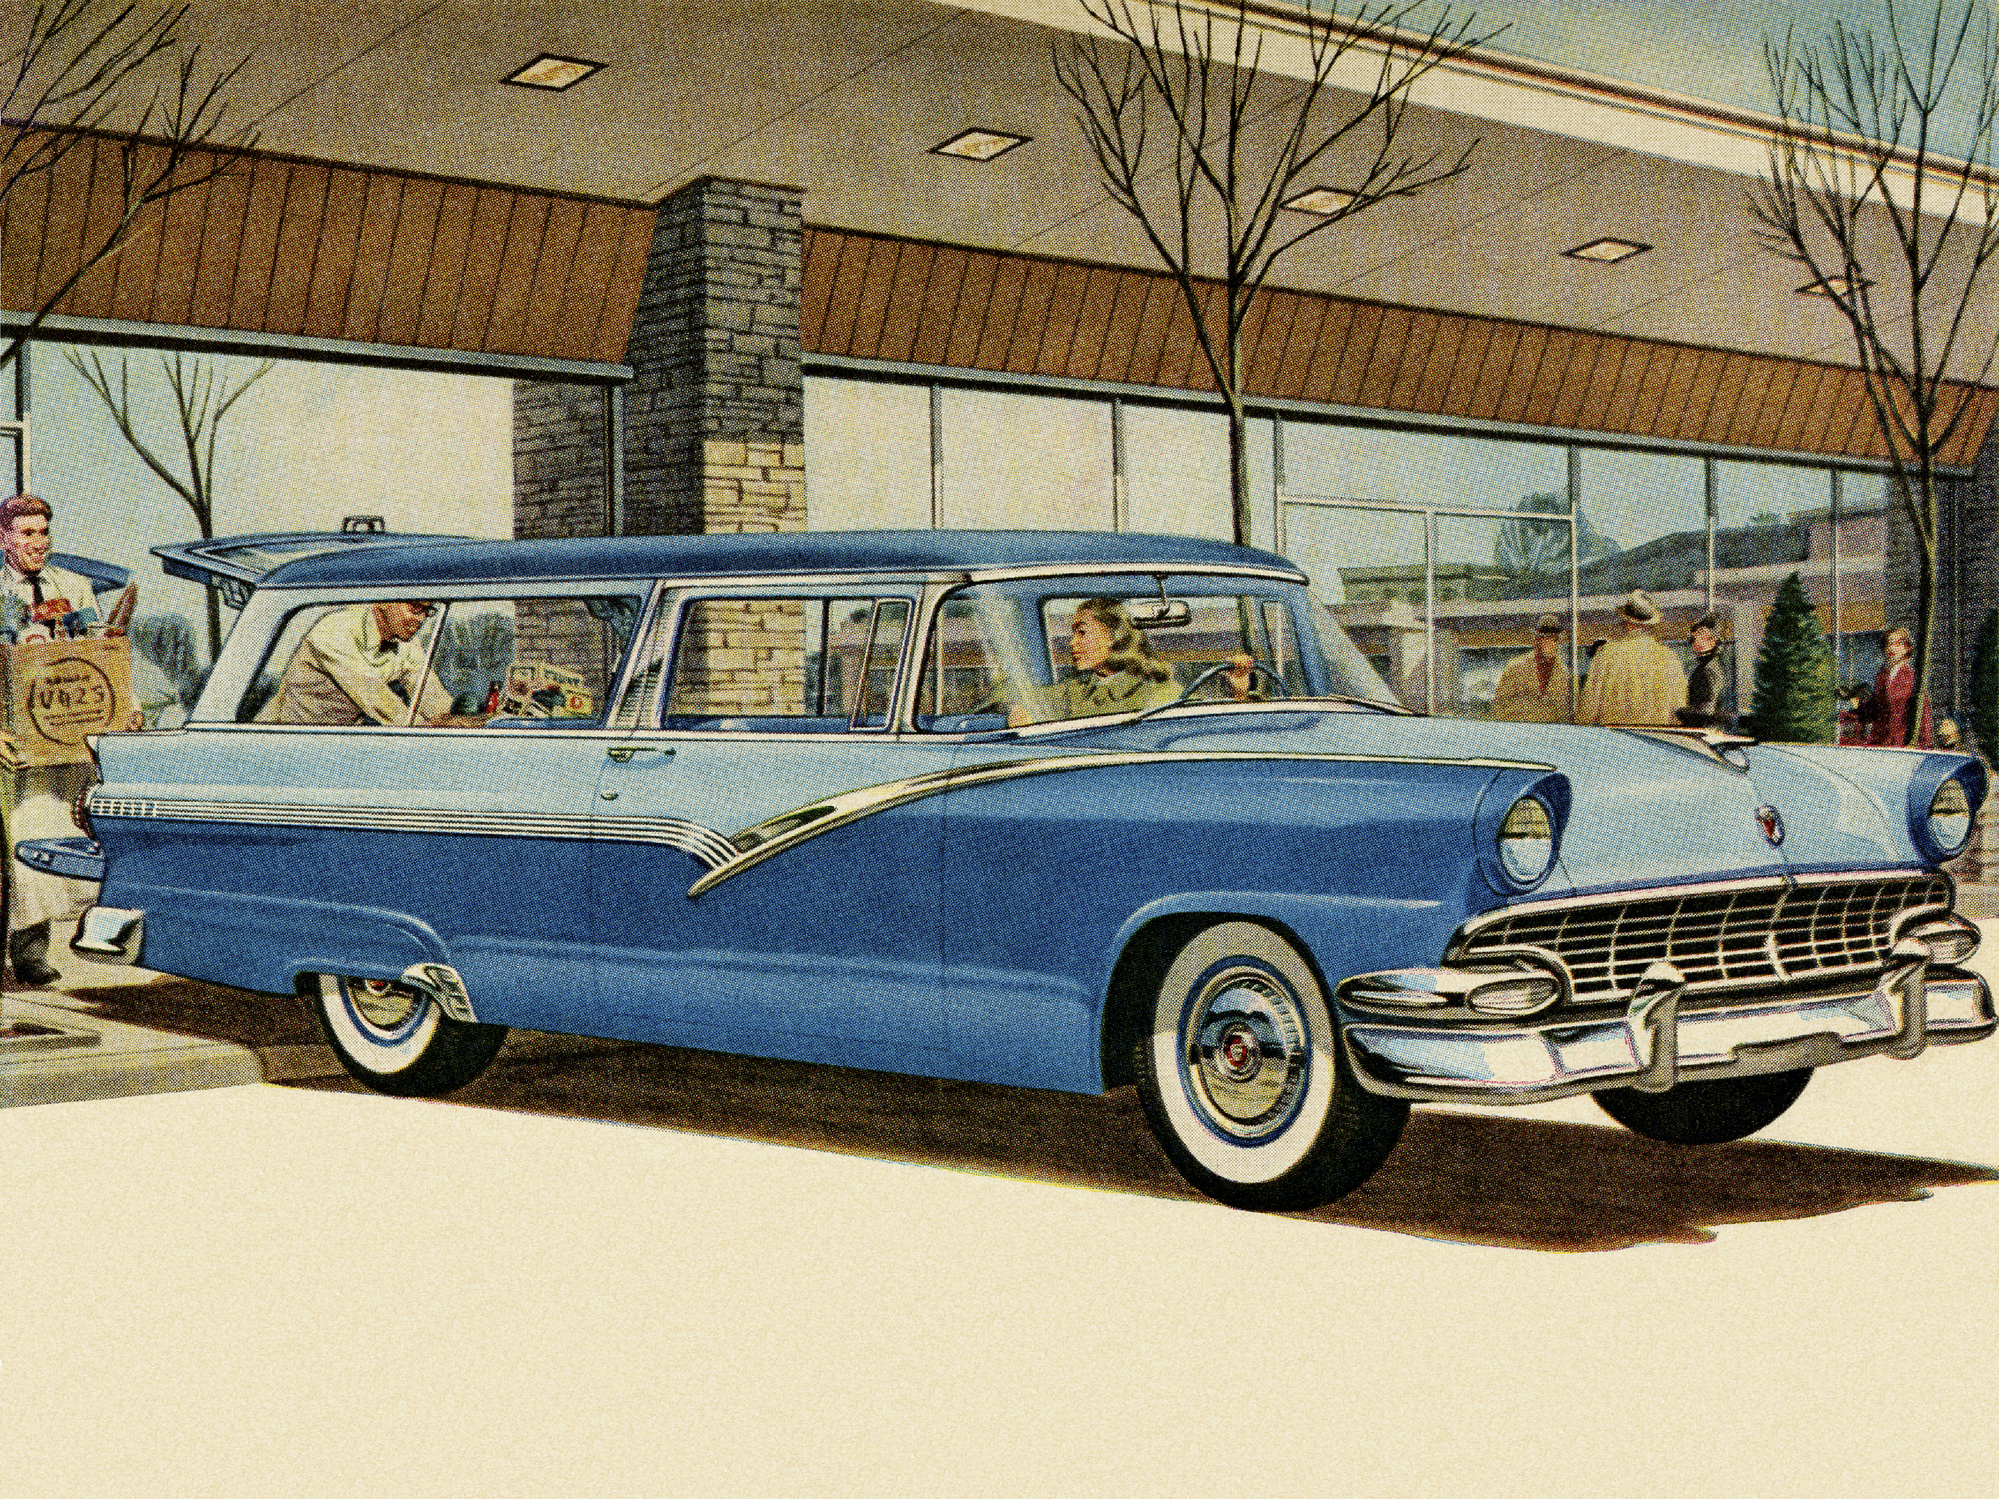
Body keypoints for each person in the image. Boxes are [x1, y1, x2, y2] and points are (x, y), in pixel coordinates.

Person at [1, 495, 111, 985]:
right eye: (27, 534)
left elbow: (99, 650)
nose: (37, 543)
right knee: (16, 841)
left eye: (43, 533)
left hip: (63, 731)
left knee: (53, 833)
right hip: (9, 734)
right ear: (4, 537)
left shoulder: (73, 586)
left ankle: (31, 954)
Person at [256, 600, 466, 726]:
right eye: (414, 608)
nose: (420, 620)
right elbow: (383, 706)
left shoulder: (407, 644)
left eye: (426, 612)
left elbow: (433, 700)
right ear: (384, 601)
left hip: (337, 745)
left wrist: (471, 722)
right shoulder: (337, 629)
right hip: (276, 743)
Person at [1008, 598, 1183, 725]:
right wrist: (1019, 709)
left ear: (1114, 636)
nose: (1072, 642)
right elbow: (1011, 690)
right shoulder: (1075, 691)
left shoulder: (1161, 694)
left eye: (1082, 632)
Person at [1576, 589, 1688, 727]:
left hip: (1615, 740)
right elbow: (1678, 708)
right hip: (1657, 740)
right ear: (1650, 624)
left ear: (1626, 622)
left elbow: (1588, 708)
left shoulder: (1606, 655)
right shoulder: (1669, 657)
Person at [1489, 614, 1570, 723]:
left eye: (1553, 639)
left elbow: (1567, 713)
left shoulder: (1564, 673)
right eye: (1544, 638)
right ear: (1536, 639)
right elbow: (1498, 706)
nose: (1549, 642)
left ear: (1558, 641)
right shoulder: (1515, 667)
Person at [1861, 625, 1932, 747]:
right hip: (1879, 744)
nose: (1892, 647)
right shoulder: (1881, 676)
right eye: (1889, 643)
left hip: (1902, 744)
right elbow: (1874, 710)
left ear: (1907, 648)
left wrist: (1923, 744)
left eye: (1898, 643)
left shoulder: (1912, 677)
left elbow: (1923, 714)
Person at [1676, 614, 1730, 728]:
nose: (1696, 640)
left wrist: (1678, 712)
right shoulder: (1708, 665)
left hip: (1704, 730)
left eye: (1703, 635)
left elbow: (1706, 711)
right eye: (1696, 635)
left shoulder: (1708, 669)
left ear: (1714, 641)